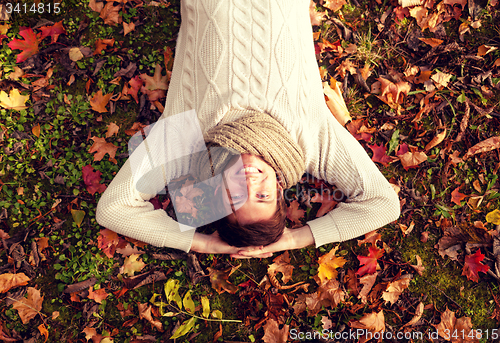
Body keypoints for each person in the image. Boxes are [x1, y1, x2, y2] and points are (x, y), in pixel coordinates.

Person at [96, 0, 400, 258]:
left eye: (234, 198)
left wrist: (202, 243)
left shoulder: (185, 140)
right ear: (280, 190)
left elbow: (114, 209)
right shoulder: (312, 140)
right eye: (263, 197)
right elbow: (382, 204)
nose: (250, 183)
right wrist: (295, 238)